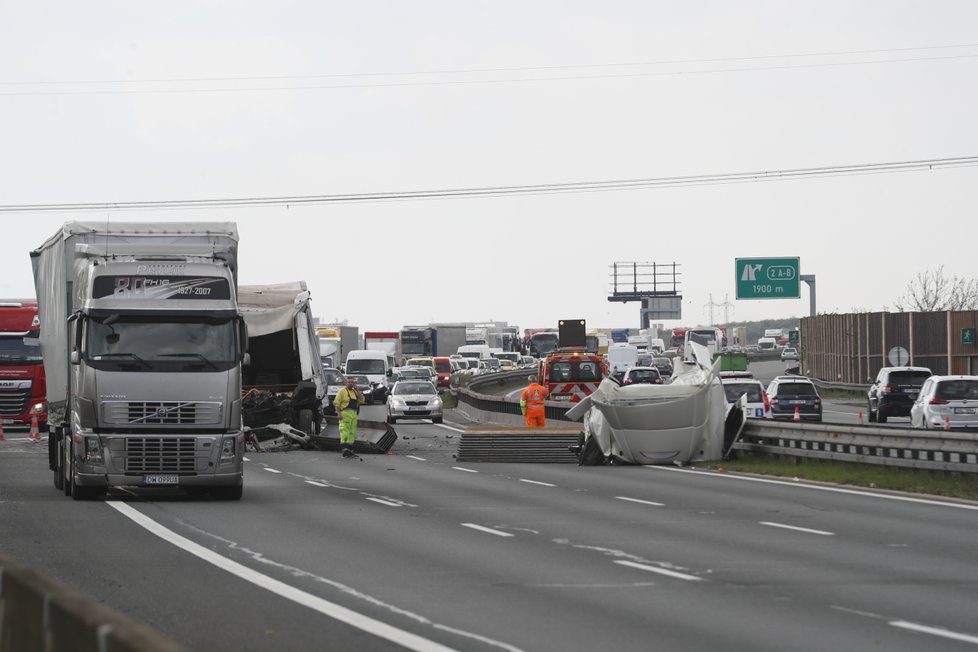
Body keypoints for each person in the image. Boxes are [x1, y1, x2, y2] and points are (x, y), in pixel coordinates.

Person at [333, 377, 365, 457]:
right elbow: (336, 403)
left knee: (352, 432)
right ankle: (344, 449)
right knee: (344, 431)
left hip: (353, 414)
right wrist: (338, 413)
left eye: (352, 382)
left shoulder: (355, 392)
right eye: (349, 382)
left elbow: (362, 400)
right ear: (346, 383)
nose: (350, 383)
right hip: (345, 414)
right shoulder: (342, 391)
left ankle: (350, 450)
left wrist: (358, 390)